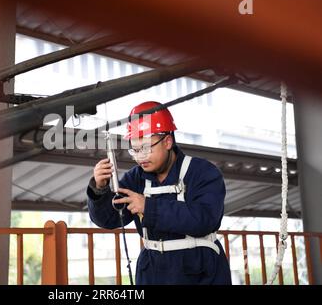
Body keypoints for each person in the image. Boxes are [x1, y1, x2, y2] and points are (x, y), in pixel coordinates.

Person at [87, 101, 232, 285]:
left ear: (168, 141)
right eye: (135, 150)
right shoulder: (136, 178)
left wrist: (148, 207)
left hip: (200, 271)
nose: (140, 157)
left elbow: (204, 219)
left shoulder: (203, 172)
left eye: (146, 148)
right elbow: (109, 219)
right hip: (152, 272)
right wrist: (99, 189)